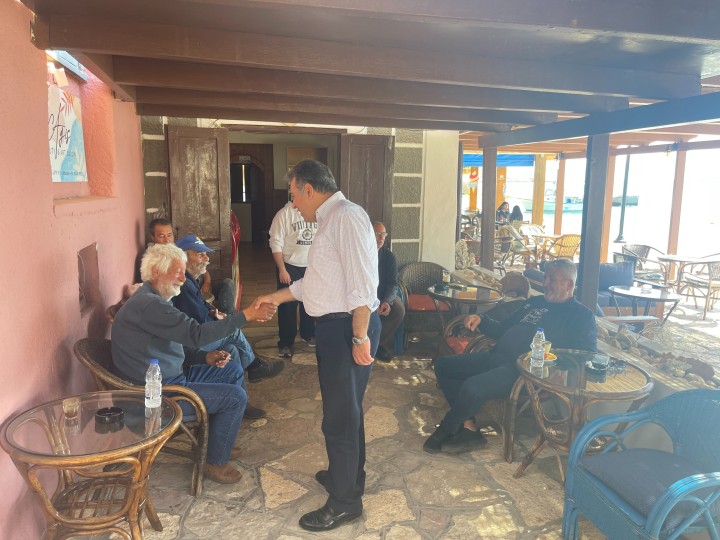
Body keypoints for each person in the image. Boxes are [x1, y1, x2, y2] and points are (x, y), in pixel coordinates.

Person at [254, 159, 380, 532]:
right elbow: (316, 282)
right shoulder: (329, 219)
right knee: (346, 412)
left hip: (346, 329)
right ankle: (348, 478)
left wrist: (359, 336)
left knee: (339, 419)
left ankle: (344, 503)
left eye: (293, 195)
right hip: (336, 329)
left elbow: (363, 285)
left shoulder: (346, 217)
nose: (292, 204)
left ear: (309, 189)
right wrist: (275, 297)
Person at [111, 243, 277, 484]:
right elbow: (196, 334)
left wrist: (204, 357)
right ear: (156, 271)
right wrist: (246, 316)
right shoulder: (150, 305)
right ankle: (214, 462)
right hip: (155, 398)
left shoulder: (153, 300)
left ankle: (217, 442)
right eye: (178, 271)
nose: (183, 278)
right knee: (235, 398)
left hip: (169, 380)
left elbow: (175, 346)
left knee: (232, 369)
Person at [423, 258, 597, 454]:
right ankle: (468, 427)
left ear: (569, 284)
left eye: (552, 279)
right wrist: (481, 319)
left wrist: (558, 364)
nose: (545, 283)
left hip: (522, 372)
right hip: (496, 357)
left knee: (473, 387)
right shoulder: (535, 302)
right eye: (545, 278)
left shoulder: (581, 315)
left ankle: (448, 427)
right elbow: (502, 328)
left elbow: (587, 353)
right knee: (444, 365)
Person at [171, 234, 285, 419]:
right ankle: (254, 365)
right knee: (233, 332)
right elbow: (198, 324)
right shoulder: (183, 284)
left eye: (205, 254)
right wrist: (221, 320)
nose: (206, 258)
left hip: (195, 337)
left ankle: (241, 402)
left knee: (231, 349)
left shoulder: (191, 279)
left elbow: (201, 308)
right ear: (183, 257)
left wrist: (213, 312)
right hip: (189, 345)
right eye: (200, 254)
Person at [148, 218, 237, 315]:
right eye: (161, 236)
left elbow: (203, 268)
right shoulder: (157, 259)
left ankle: (226, 316)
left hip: (199, 283)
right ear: (153, 237)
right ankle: (227, 319)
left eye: (169, 235)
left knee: (228, 283)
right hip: (189, 288)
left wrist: (207, 282)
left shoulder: (176, 248)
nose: (167, 240)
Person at [268, 200, 318, 358]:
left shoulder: (315, 211)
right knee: (287, 306)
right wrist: (282, 269)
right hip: (289, 266)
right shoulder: (283, 214)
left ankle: (308, 333)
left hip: (311, 266)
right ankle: (286, 342)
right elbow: (275, 242)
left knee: (309, 302)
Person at [373, 222, 405, 362]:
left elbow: (393, 284)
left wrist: (387, 301)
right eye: (377, 234)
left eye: (383, 234)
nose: (381, 238)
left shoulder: (389, 257)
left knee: (398, 309)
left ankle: (377, 344)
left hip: (383, 294)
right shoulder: (360, 254)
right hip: (365, 295)